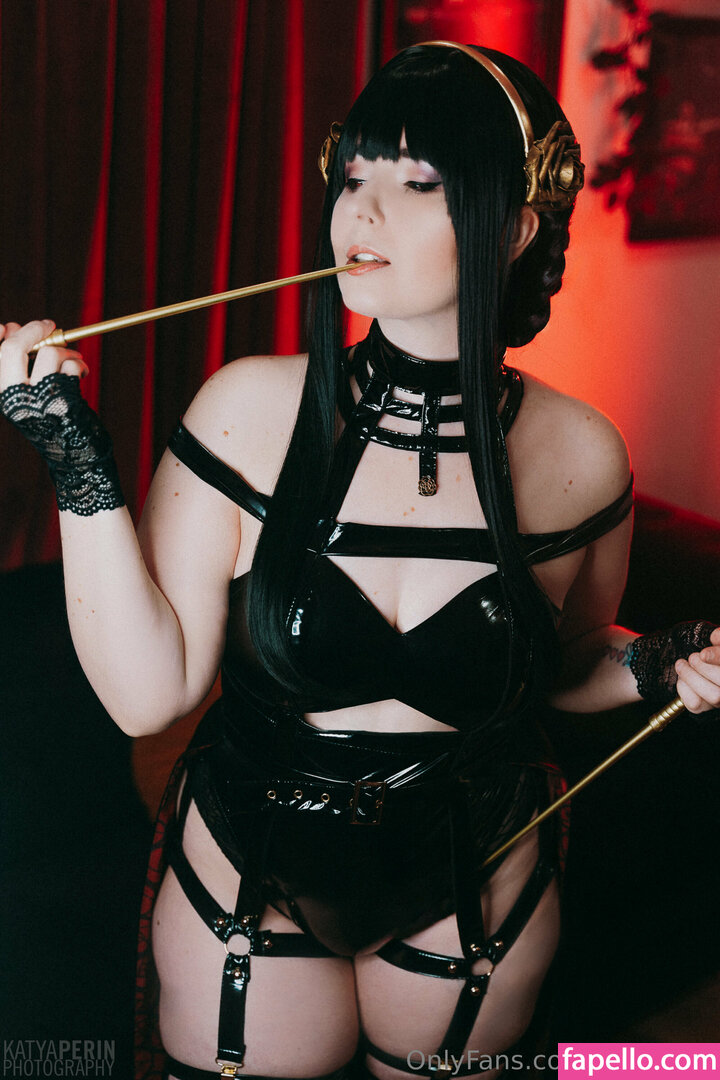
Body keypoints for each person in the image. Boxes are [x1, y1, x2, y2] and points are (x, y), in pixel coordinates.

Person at [2, 41, 719, 1080]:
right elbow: (146, 698)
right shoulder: (246, 409)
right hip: (249, 864)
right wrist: (76, 462)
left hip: (480, 872)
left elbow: (564, 664)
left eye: (418, 183)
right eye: (352, 176)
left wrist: (661, 660)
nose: (361, 212)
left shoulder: (583, 452)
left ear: (515, 226)